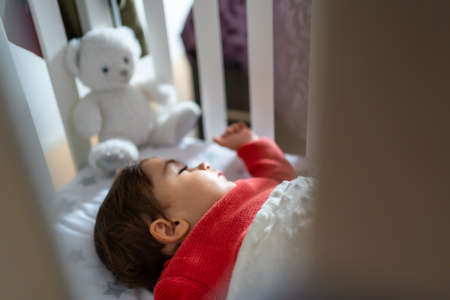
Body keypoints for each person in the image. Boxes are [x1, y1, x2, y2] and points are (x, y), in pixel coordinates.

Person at [94, 122, 297, 299]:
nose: (202, 164)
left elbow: (281, 177)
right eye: (183, 170)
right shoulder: (186, 275)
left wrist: (251, 143)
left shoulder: (255, 186)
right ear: (170, 228)